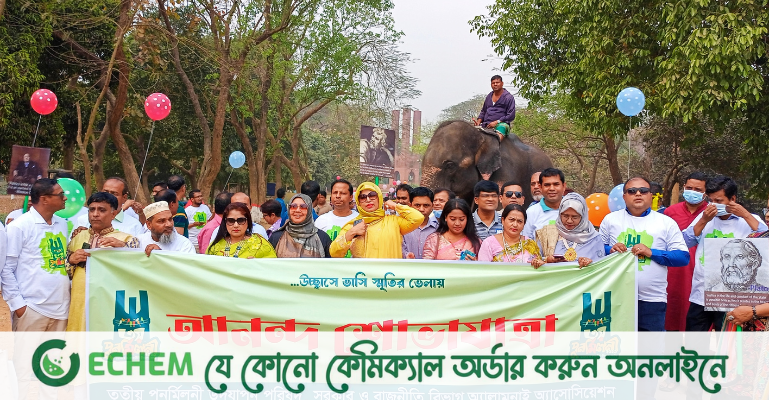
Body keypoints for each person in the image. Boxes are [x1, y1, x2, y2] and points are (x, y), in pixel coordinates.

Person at [600, 177, 690, 331]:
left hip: (652, 299)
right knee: (617, 347)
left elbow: (683, 257)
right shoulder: (610, 220)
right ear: (624, 196)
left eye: (643, 191)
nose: (638, 194)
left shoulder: (665, 222)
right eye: (632, 191)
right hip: (615, 297)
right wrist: (610, 250)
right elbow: (595, 251)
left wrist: (651, 252)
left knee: (650, 350)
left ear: (650, 195)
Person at [683, 175, 767, 331]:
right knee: (693, 340)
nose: (714, 205)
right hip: (701, 294)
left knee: (727, 343)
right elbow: (686, 241)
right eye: (711, 200)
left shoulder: (748, 220)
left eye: (719, 201)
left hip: (730, 298)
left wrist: (746, 215)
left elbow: (766, 239)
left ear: (732, 199)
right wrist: (703, 220)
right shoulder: (705, 218)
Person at [2, 178, 70, 331]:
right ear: (44, 199)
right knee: (28, 355)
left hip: (62, 309)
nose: (65, 198)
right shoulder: (19, 226)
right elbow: (6, 268)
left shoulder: (62, 224)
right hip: (32, 309)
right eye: (60, 194)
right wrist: (19, 305)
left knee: (55, 355)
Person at [65, 192, 140, 332]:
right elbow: (65, 272)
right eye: (92, 209)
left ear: (114, 214)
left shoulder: (127, 239)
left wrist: (123, 248)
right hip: (79, 302)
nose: (95, 214)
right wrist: (71, 260)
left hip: (109, 301)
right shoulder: (77, 237)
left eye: (102, 210)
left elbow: (139, 267)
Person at [663, 172, 708, 331]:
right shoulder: (670, 212)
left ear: (705, 192)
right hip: (673, 273)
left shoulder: (712, 213)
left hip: (700, 274)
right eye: (689, 188)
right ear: (683, 188)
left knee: (697, 322)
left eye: (698, 189)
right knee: (671, 317)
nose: (693, 192)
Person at [330, 182, 423, 258]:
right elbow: (334, 253)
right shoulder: (353, 225)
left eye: (372, 195)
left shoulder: (394, 221)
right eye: (362, 197)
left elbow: (418, 218)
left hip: (389, 277)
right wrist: (351, 233)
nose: (368, 199)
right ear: (358, 202)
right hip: (363, 278)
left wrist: (396, 206)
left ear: (379, 198)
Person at [532, 193, 605, 268]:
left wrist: (589, 263)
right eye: (565, 216)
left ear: (583, 216)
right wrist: (547, 261)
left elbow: (600, 268)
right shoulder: (546, 233)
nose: (569, 221)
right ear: (560, 214)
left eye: (575, 217)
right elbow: (534, 260)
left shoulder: (594, 238)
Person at [76, 177, 144, 237]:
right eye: (105, 192)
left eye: (114, 193)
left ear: (124, 197)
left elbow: (138, 250)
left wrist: (123, 245)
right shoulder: (83, 220)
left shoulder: (134, 225)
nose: (108, 196)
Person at [207, 203, 276, 258]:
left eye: (241, 220)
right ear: (225, 223)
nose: (236, 225)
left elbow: (271, 268)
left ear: (248, 221)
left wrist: (257, 265)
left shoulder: (260, 243)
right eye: (231, 221)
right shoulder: (216, 245)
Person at [522, 168, 566, 239]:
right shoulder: (531, 212)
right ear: (541, 187)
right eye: (547, 185)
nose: (551, 188)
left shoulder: (573, 209)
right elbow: (526, 242)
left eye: (556, 184)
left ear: (564, 186)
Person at [314, 179, 359, 247]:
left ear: (351, 197)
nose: (338, 196)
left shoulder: (359, 220)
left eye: (343, 193)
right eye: (335, 193)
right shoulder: (320, 221)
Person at [473, 75, 516, 141]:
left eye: (497, 82)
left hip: (501, 124)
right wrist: (478, 121)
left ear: (502, 83)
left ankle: (496, 147)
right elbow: (483, 111)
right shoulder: (489, 96)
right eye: (493, 83)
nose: (495, 84)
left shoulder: (508, 97)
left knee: (501, 130)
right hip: (486, 124)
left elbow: (511, 115)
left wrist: (497, 122)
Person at [402, 187, 439, 259]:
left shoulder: (439, 229)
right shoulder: (401, 227)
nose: (421, 209)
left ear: (432, 206)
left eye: (426, 205)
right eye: (417, 205)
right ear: (410, 206)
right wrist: (406, 255)